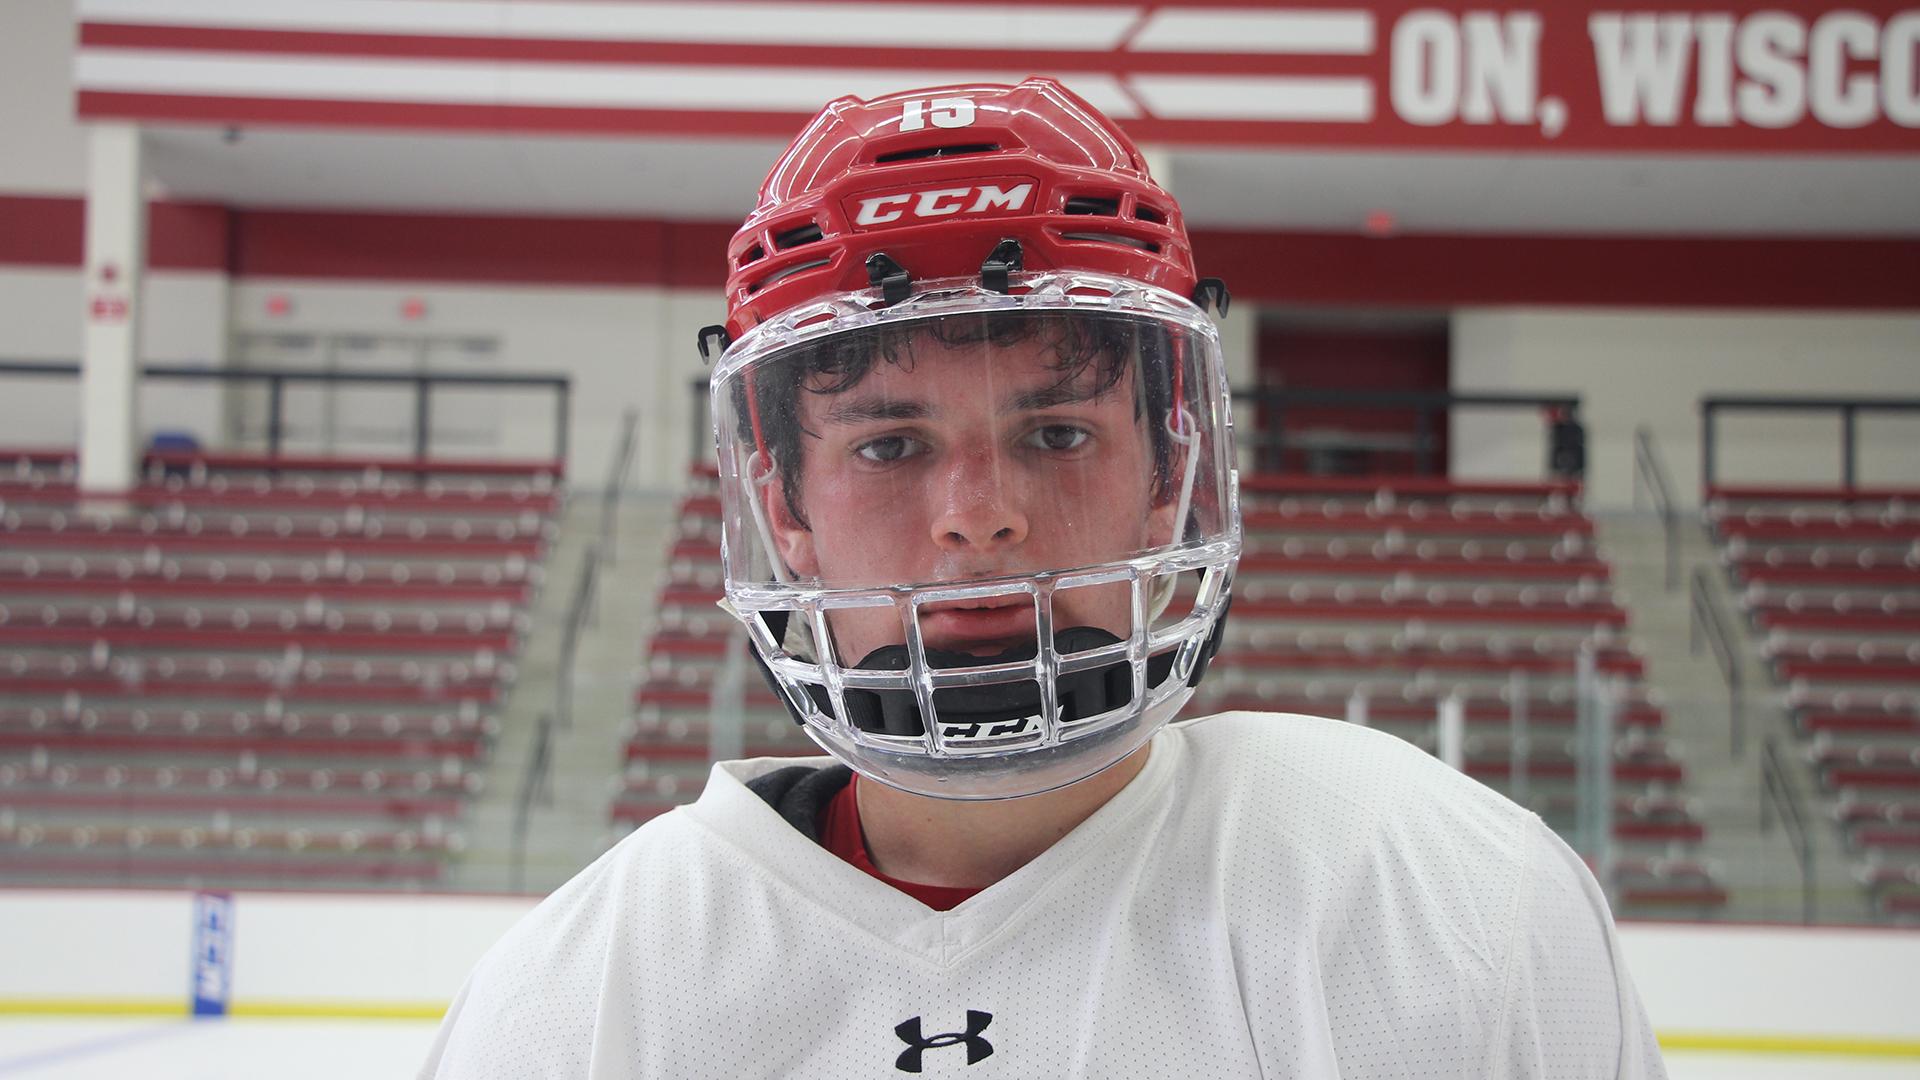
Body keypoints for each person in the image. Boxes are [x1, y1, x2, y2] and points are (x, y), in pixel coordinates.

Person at [422, 78, 1666, 1079]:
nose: (983, 519)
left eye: (1059, 434)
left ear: (1166, 469)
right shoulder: (577, 1003)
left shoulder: (1438, 910)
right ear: (783, 505)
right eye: (889, 445)